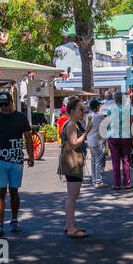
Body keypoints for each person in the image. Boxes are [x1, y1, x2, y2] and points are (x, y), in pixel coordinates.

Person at [0, 90, 33, 237]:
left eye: (6, 104)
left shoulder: (20, 117)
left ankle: (14, 219)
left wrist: (31, 155)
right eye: (1, 105)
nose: (3, 107)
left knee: (14, 191)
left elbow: (28, 137)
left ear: (11, 102)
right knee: (0, 192)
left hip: (16, 161)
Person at [58, 98, 89, 237]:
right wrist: (86, 132)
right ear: (72, 111)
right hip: (72, 162)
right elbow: (74, 143)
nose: (83, 112)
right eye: (80, 109)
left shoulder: (71, 123)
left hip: (70, 162)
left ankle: (69, 224)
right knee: (72, 195)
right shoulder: (71, 124)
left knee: (73, 195)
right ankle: (70, 228)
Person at [107, 91, 133, 189]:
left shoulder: (111, 109)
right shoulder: (128, 109)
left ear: (114, 99)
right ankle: (127, 183)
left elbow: (108, 123)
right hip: (126, 136)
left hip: (113, 136)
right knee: (126, 160)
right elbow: (132, 122)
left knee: (115, 160)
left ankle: (117, 184)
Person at [85, 98, 107, 187]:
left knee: (94, 160)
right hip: (97, 141)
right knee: (98, 161)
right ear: (97, 107)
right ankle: (98, 181)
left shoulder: (89, 116)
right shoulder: (99, 116)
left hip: (90, 140)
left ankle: (94, 180)